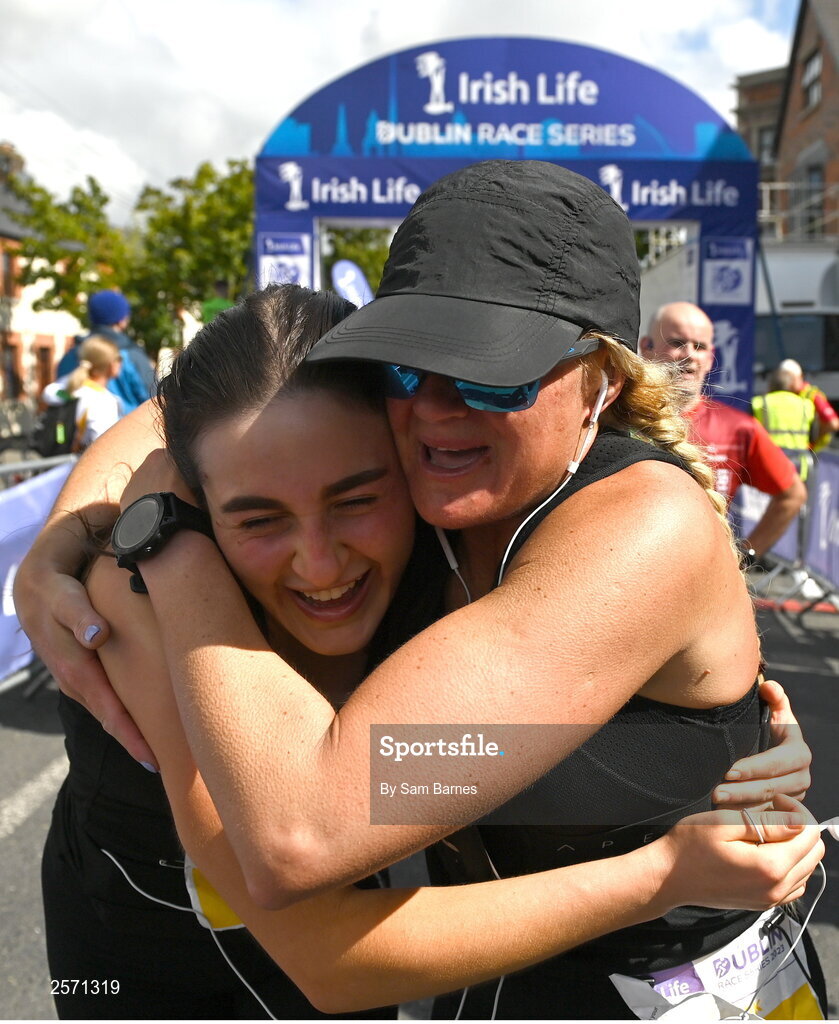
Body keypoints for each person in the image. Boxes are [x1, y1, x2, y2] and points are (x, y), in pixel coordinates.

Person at [14, 164, 823, 1016]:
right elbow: (207, 397)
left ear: (603, 383)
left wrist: (158, 536)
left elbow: (303, 830)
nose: (435, 409)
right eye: (406, 367)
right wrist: (65, 539)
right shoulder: (443, 489)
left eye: (491, 375)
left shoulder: (640, 525)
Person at [641, 301, 807, 562]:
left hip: (699, 585)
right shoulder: (613, 416)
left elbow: (792, 495)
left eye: (700, 346)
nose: (690, 354)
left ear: (710, 358)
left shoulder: (737, 427)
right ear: (645, 347)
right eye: (676, 343)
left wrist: (744, 558)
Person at [57, 289, 155, 414]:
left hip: (77, 431)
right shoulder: (131, 355)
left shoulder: (72, 355)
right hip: (126, 430)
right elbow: (155, 402)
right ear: (122, 320)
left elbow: (59, 394)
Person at [42, 335, 122, 450]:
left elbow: (48, 393)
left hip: (57, 456)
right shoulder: (103, 400)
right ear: (111, 364)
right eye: (119, 359)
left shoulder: (66, 384)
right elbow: (103, 446)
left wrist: (68, 396)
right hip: (80, 463)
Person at [752, 365, 816, 480]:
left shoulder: (759, 403)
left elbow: (750, 435)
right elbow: (813, 436)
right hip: (801, 463)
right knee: (799, 496)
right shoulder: (806, 405)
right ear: (791, 385)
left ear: (770, 384)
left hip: (769, 460)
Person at [778, 357, 839, 452]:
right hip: (790, 451)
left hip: (810, 452)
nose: (786, 381)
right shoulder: (782, 396)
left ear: (799, 377)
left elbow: (833, 423)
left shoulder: (812, 395)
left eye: (790, 378)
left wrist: (812, 440)